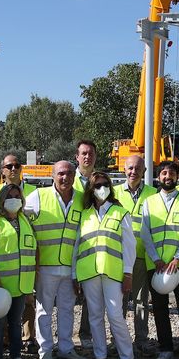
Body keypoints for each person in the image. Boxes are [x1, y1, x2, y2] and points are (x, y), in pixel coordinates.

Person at [24, 161, 89, 359]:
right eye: (61, 173)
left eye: (69, 173)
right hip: (45, 266)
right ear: (52, 175)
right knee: (44, 310)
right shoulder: (38, 196)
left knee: (67, 308)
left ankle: (66, 348)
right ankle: (45, 351)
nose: (65, 177)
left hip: (70, 267)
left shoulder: (81, 199)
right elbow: (24, 225)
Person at [72, 171, 137, 359]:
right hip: (89, 273)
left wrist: (128, 273)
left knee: (115, 314)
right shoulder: (84, 215)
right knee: (94, 315)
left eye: (105, 184)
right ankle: (100, 354)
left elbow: (129, 246)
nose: (102, 189)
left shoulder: (120, 212)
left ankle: (127, 356)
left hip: (113, 273)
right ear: (91, 190)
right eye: (97, 185)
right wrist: (75, 275)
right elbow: (77, 246)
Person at [141, 160, 179, 359]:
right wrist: (156, 258)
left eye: (172, 174)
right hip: (155, 264)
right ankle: (165, 348)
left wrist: (177, 256)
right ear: (158, 177)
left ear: (177, 177)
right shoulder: (149, 202)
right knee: (160, 307)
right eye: (164, 173)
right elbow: (145, 232)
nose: (167, 177)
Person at [0, 183, 36, 359]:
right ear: (2, 199)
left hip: (21, 285)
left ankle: (16, 358)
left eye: (17, 196)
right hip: (1, 284)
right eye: (9, 196)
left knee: (15, 323)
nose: (14, 199)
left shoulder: (25, 220)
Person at [0, 154, 38, 346]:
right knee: (2, 305)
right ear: (2, 170)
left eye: (16, 165)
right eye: (8, 166)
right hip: (4, 261)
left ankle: (28, 338)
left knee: (28, 301)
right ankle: (4, 340)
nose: (13, 169)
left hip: (26, 257)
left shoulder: (34, 192)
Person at [113, 155, 158, 353]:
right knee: (120, 301)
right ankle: (119, 341)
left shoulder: (153, 194)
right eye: (130, 168)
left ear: (144, 172)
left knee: (141, 301)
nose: (133, 172)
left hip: (142, 256)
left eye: (138, 168)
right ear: (124, 170)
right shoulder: (113, 194)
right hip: (119, 257)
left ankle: (141, 339)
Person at [73, 140, 97, 346]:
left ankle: (86, 333)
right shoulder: (67, 179)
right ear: (77, 157)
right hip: (69, 240)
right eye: (83, 153)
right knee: (67, 293)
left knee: (91, 289)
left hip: (91, 241)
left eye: (90, 153)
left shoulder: (100, 182)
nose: (87, 157)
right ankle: (63, 338)